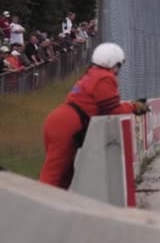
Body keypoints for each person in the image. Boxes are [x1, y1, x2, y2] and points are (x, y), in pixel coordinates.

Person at [39, 43, 150, 189]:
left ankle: (53, 206)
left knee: (64, 173)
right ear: (112, 63)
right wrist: (134, 107)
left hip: (59, 119)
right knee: (55, 173)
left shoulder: (91, 73)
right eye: (118, 65)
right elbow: (113, 110)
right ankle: (38, 206)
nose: (118, 70)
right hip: (67, 124)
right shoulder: (105, 78)